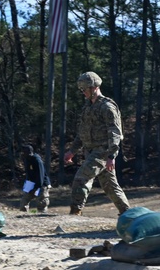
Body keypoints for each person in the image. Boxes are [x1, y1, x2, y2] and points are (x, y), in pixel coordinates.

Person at [63, 71, 132, 216]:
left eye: (84, 89)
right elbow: (82, 132)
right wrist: (72, 151)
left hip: (103, 152)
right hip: (91, 151)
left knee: (81, 178)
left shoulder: (107, 107)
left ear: (94, 87)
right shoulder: (87, 107)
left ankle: (75, 213)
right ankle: (128, 214)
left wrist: (112, 155)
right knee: (110, 186)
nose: (83, 92)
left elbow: (115, 132)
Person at [19, 144, 50, 212]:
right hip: (31, 183)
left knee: (42, 202)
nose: (23, 154)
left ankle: (42, 216)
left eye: (24, 152)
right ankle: (23, 214)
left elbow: (40, 175)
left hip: (41, 184)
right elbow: (29, 173)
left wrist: (36, 188)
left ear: (29, 152)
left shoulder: (37, 161)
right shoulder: (27, 159)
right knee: (24, 200)